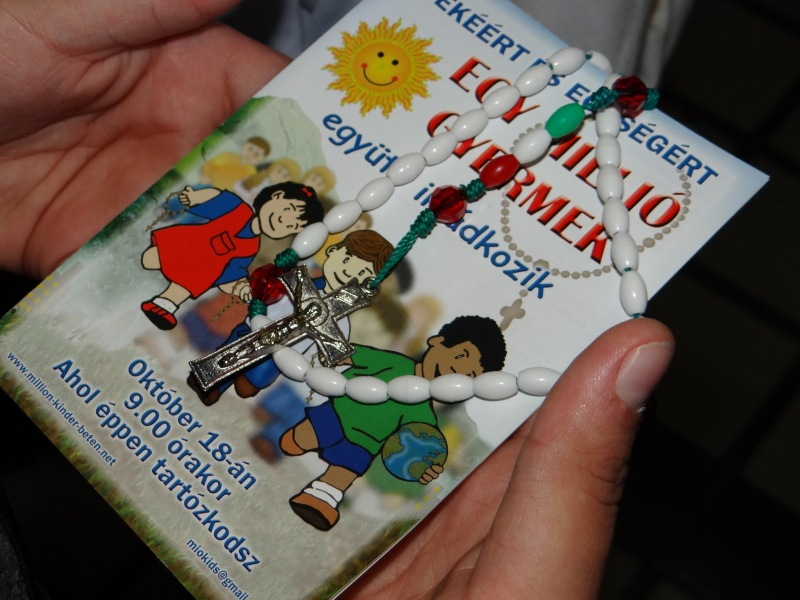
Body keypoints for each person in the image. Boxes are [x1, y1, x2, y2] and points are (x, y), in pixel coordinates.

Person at [0, 1, 675, 598]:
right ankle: (223, 370)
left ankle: (310, 473)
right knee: (255, 349)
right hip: (282, 325)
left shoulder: (402, 365)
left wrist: (409, 436)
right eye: (458, 355)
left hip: (340, 392)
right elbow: (326, 325)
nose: (455, 366)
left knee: (315, 430)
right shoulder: (328, 272)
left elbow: (362, 369)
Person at [282, 314, 507, 531]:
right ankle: (297, 439)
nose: (454, 372)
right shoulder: (395, 363)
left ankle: (320, 500)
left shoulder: (425, 415)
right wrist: (336, 354)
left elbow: (420, 445)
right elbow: (358, 355)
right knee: (301, 439)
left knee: (345, 471)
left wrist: (425, 470)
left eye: (468, 376)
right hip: (340, 413)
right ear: (437, 342)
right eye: (460, 356)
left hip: (365, 444)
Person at [140, 181, 323, 330]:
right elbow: (217, 197)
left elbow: (232, 271)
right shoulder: (239, 208)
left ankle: (164, 305)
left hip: (201, 269)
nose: (281, 221)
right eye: (287, 209)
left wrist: (239, 287)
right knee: (149, 260)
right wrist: (195, 197)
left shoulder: (251, 247)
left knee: (185, 285)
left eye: (291, 227)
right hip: (190, 243)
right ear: (277, 196)